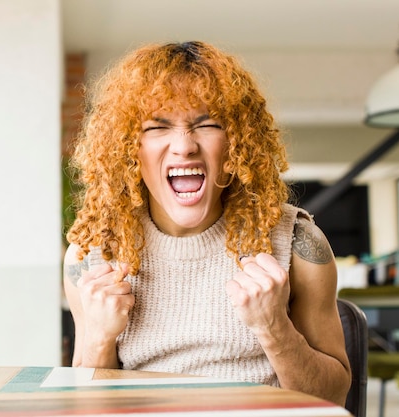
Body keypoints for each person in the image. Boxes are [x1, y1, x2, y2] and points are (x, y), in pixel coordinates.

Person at [63, 41, 351, 405]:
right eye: (157, 127)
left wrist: (274, 327)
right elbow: (85, 407)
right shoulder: (91, 254)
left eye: (208, 124)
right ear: (128, 149)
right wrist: (100, 339)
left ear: (237, 144)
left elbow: (334, 397)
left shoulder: (298, 242)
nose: (184, 146)